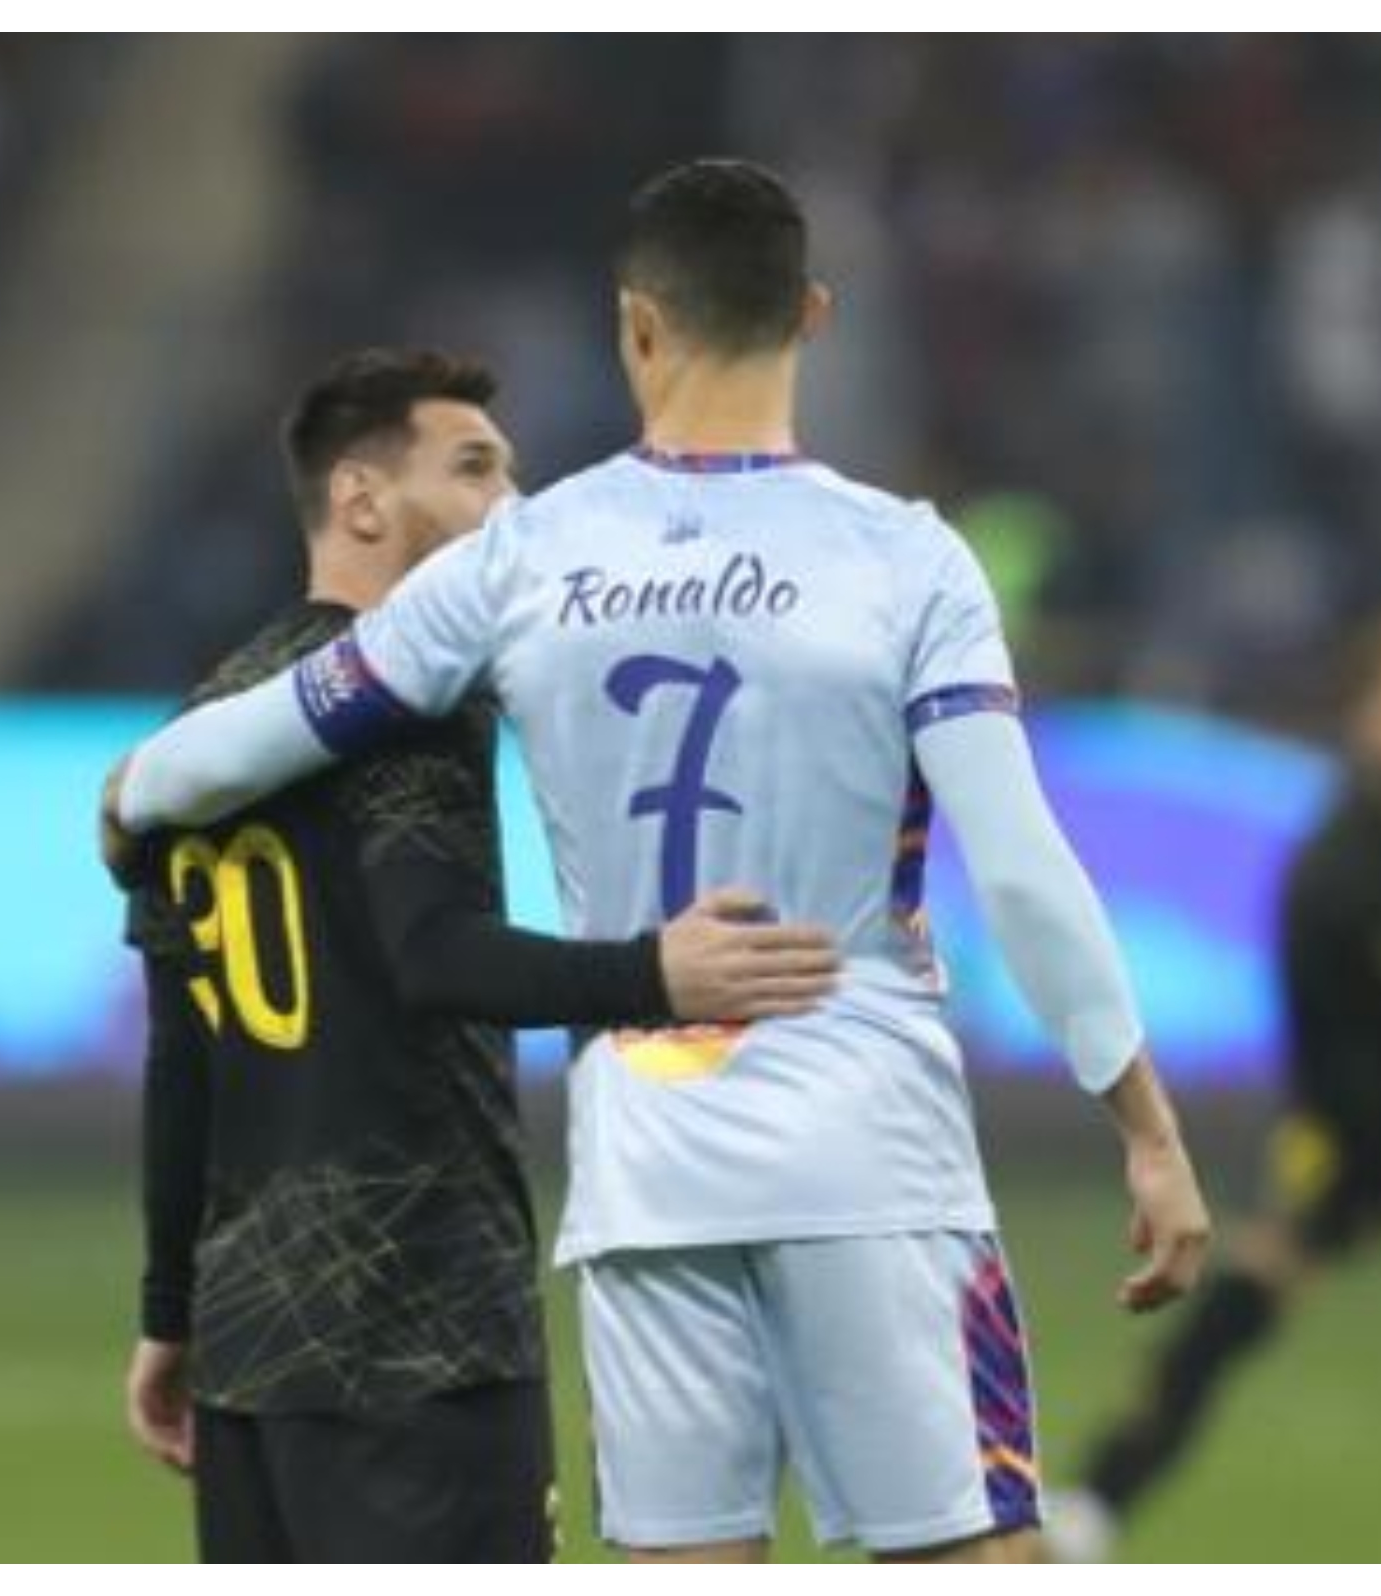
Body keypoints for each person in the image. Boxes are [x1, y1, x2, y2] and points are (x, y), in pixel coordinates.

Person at [109, 158, 1214, 1562]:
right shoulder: (907, 560)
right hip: (865, 1147)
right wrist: (1145, 1128)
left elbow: (273, 730)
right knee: (970, 1556)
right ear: (811, 315)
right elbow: (1020, 872)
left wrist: (141, 785)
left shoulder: (525, 559)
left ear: (636, 325)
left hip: (647, 1163)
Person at [116, 348, 844, 1562]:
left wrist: (171, 1311)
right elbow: (434, 956)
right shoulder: (409, 701)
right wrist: (653, 975)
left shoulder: (208, 719)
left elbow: (181, 1055)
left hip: (256, 1354)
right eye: (473, 467)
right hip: (420, 1334)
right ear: (360, 500)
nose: (512, 503)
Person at [1046, 601, 1381, 1561]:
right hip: (1377, 1115)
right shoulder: (1334, 876)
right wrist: (1376, 1179)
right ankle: (1097, 1503)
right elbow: (1326, 1062)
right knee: (1247, 1282)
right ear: (1368, 727)